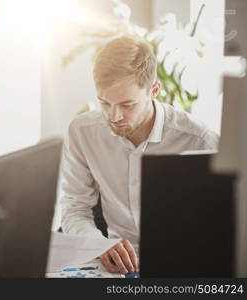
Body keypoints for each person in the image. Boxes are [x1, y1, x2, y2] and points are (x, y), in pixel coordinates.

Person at [60, 35, 219, 274]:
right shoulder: (82, 132)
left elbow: (220, 224)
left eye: (127, 105)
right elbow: (75, 208)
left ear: (154, 90)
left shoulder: (198, 139)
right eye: (104, 103)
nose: (114, 116)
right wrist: (98, 244)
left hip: (182, 264)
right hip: (114, 267)